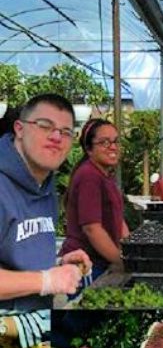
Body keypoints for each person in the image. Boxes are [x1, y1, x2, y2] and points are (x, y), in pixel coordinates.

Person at [0, 93, 92, 311]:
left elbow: (17, 257)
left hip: (31, 328)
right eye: (44, 125)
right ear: (19, 129)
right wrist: (46, 281)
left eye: (66, 132)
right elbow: (40, 280)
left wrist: (58, 266)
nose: (56, 137)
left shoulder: (45, 182)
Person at [60, 118, 130, 281]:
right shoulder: (89, 176)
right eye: (104, 142)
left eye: (116, 141)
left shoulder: (105, 175)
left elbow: (119, 221)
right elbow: (92, 229)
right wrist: (121, 261)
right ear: (89, 149)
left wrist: (131, 252)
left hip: (101, 262)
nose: (113, 147)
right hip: (87, 264)